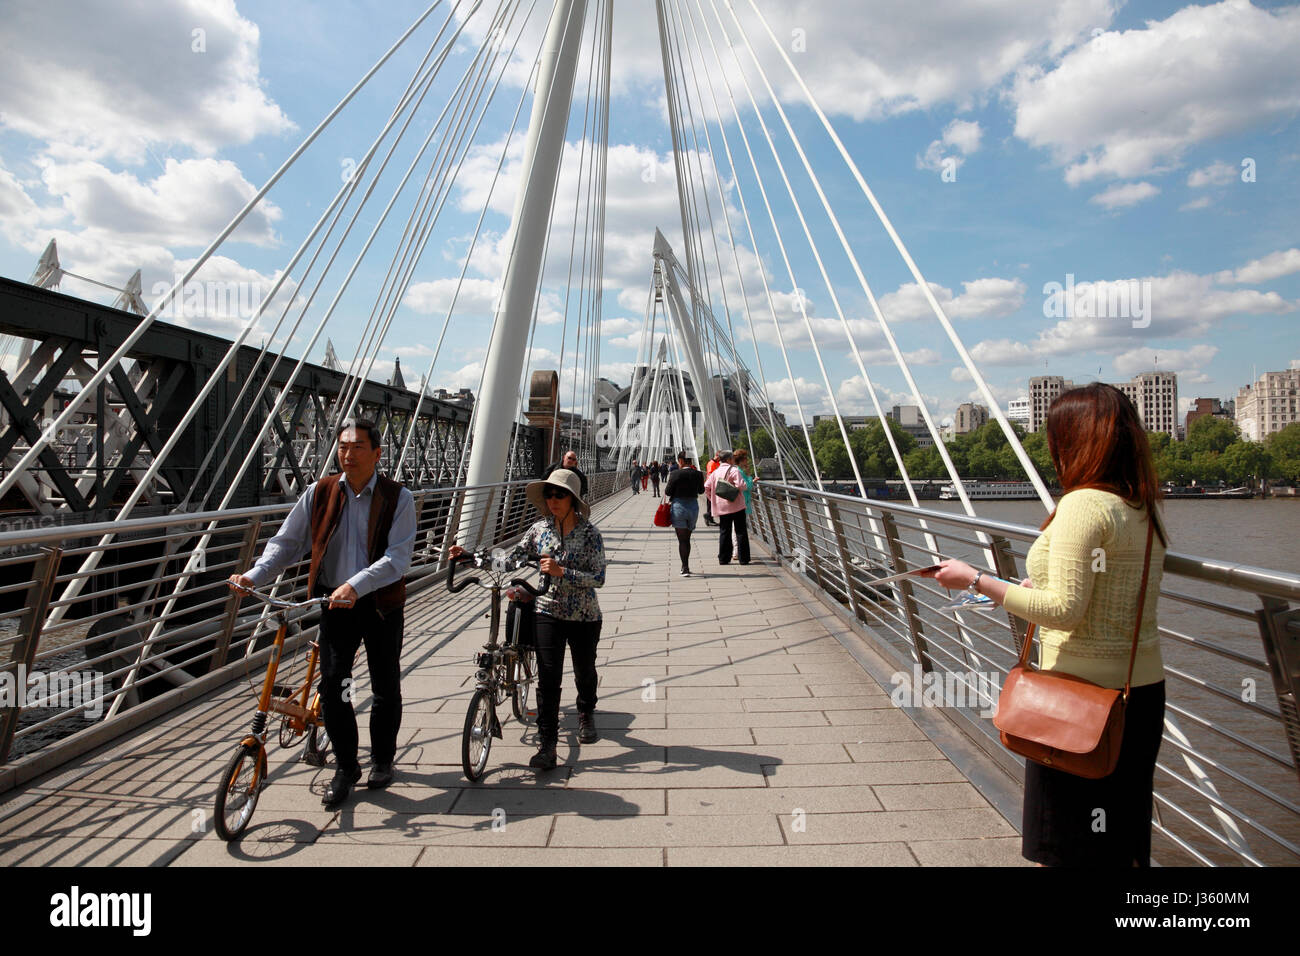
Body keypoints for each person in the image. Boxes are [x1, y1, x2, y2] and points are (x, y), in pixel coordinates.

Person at [919, 384, 1167, 867]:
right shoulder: (1139, 506)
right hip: (1139, 695)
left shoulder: (1082, 506)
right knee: (1119, 841)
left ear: (1075, 441)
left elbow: (1065, 612)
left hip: (1079, 701)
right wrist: (1035, 585)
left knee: (1066, 847)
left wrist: (976, 578)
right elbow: (1105, 591)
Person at [229, 419, 415, 808]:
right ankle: (346, 766)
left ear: (377, 454)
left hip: (379, 604)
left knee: (384, 686)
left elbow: (397, 559)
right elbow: (287, 543)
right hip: (334, 603)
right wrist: (254, 575)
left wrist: (357, 585)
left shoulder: (399, 498)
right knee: (334, 687)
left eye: (357, 447)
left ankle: (383, 759)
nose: (347, 454)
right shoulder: (320, 492)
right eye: (343, 447)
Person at [503, 469, 606, 770]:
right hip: (547, 611)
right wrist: (475, 557)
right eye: (549, 495)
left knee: (584, 670)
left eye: (559, 495)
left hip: (584, 615)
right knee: (548, 677)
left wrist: (564, 573)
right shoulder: (538, 530)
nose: (553, 500)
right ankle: (547, 742)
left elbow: (599, 578)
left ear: (572, 499)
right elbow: (515, 558)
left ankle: (586, 711)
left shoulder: (590, 534)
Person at [705, 450, 750, 565]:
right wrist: (745, 485)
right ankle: (743, 558)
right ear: (729, 459)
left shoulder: (715, 472)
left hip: (722, 507)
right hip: (737, 505)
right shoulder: (734, 470)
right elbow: (740, 485)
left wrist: (712, 499)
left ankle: (724, 558)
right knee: (740, 531)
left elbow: (706, 486)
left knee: (724, 531)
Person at [664, 451, 705, 576]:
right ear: (691, 461)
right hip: (693, 507)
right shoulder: (698, 474)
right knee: (687, 538)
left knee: (682, 540)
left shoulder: (675, 474)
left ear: (681, 461)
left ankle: (685, 567)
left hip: (679, 507)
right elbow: (701, 491)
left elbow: (668, 491)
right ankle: (686, 566)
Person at [703, 450, 721, 525]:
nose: (720, 459)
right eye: (720, 457)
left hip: (715, 485)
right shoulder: (711, 463)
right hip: (711, 486)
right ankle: (708, 517)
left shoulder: (717, 463)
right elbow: (711, 474)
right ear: (717, 456)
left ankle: (710, 518)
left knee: (712, 503)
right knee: (711, 502)